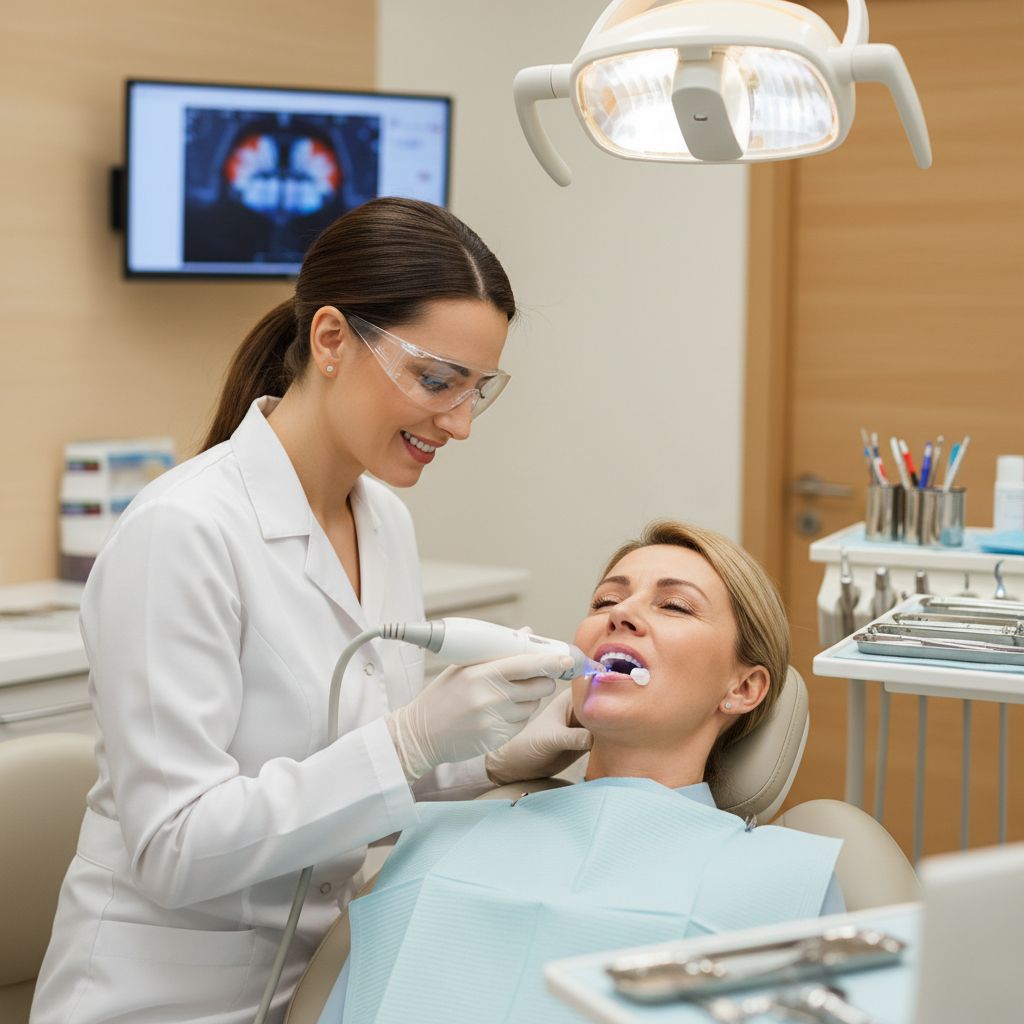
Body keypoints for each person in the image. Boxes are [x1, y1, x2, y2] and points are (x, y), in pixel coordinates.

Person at [30, 198, 591, 1024]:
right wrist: (410, 739)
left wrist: (485, 760)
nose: (460, 423)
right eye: (436, 381)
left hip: (319, 984)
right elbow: (173, 846)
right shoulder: (181, 531)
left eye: (478, 391)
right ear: (331, 340)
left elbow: (344, 767)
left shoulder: (383, 521)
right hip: (159, 999)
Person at [320, 521, 845, 1024]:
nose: (622, 615)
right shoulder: (439, 840)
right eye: (605, 601)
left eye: (674, 605)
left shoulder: (788, 881)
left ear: (743, 689)